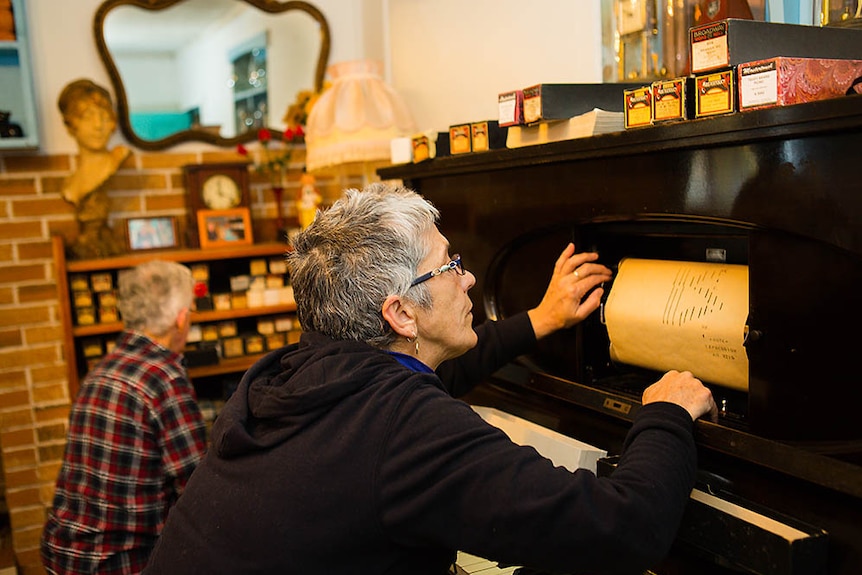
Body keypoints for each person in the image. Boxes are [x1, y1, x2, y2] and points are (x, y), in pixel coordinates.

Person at [143, 183, 716, 575]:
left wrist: (542, 319)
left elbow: (434, 365)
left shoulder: (287, 376)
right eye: (451, 265)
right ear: (400, 313)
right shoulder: (404, 428)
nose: (468, 280)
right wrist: (665, 414)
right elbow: (622, 528)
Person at [42, 260, 208, 575]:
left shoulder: (102, 369)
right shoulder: (165, 378)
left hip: (63, 554)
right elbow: (197, 488)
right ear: (181, 318)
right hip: (119, 562)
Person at [57, 78, 131, 259]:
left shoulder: (117, 158)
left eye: (104, 116)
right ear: (70, 125)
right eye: (88, 116)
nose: (98, 126)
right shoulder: (71, 185)